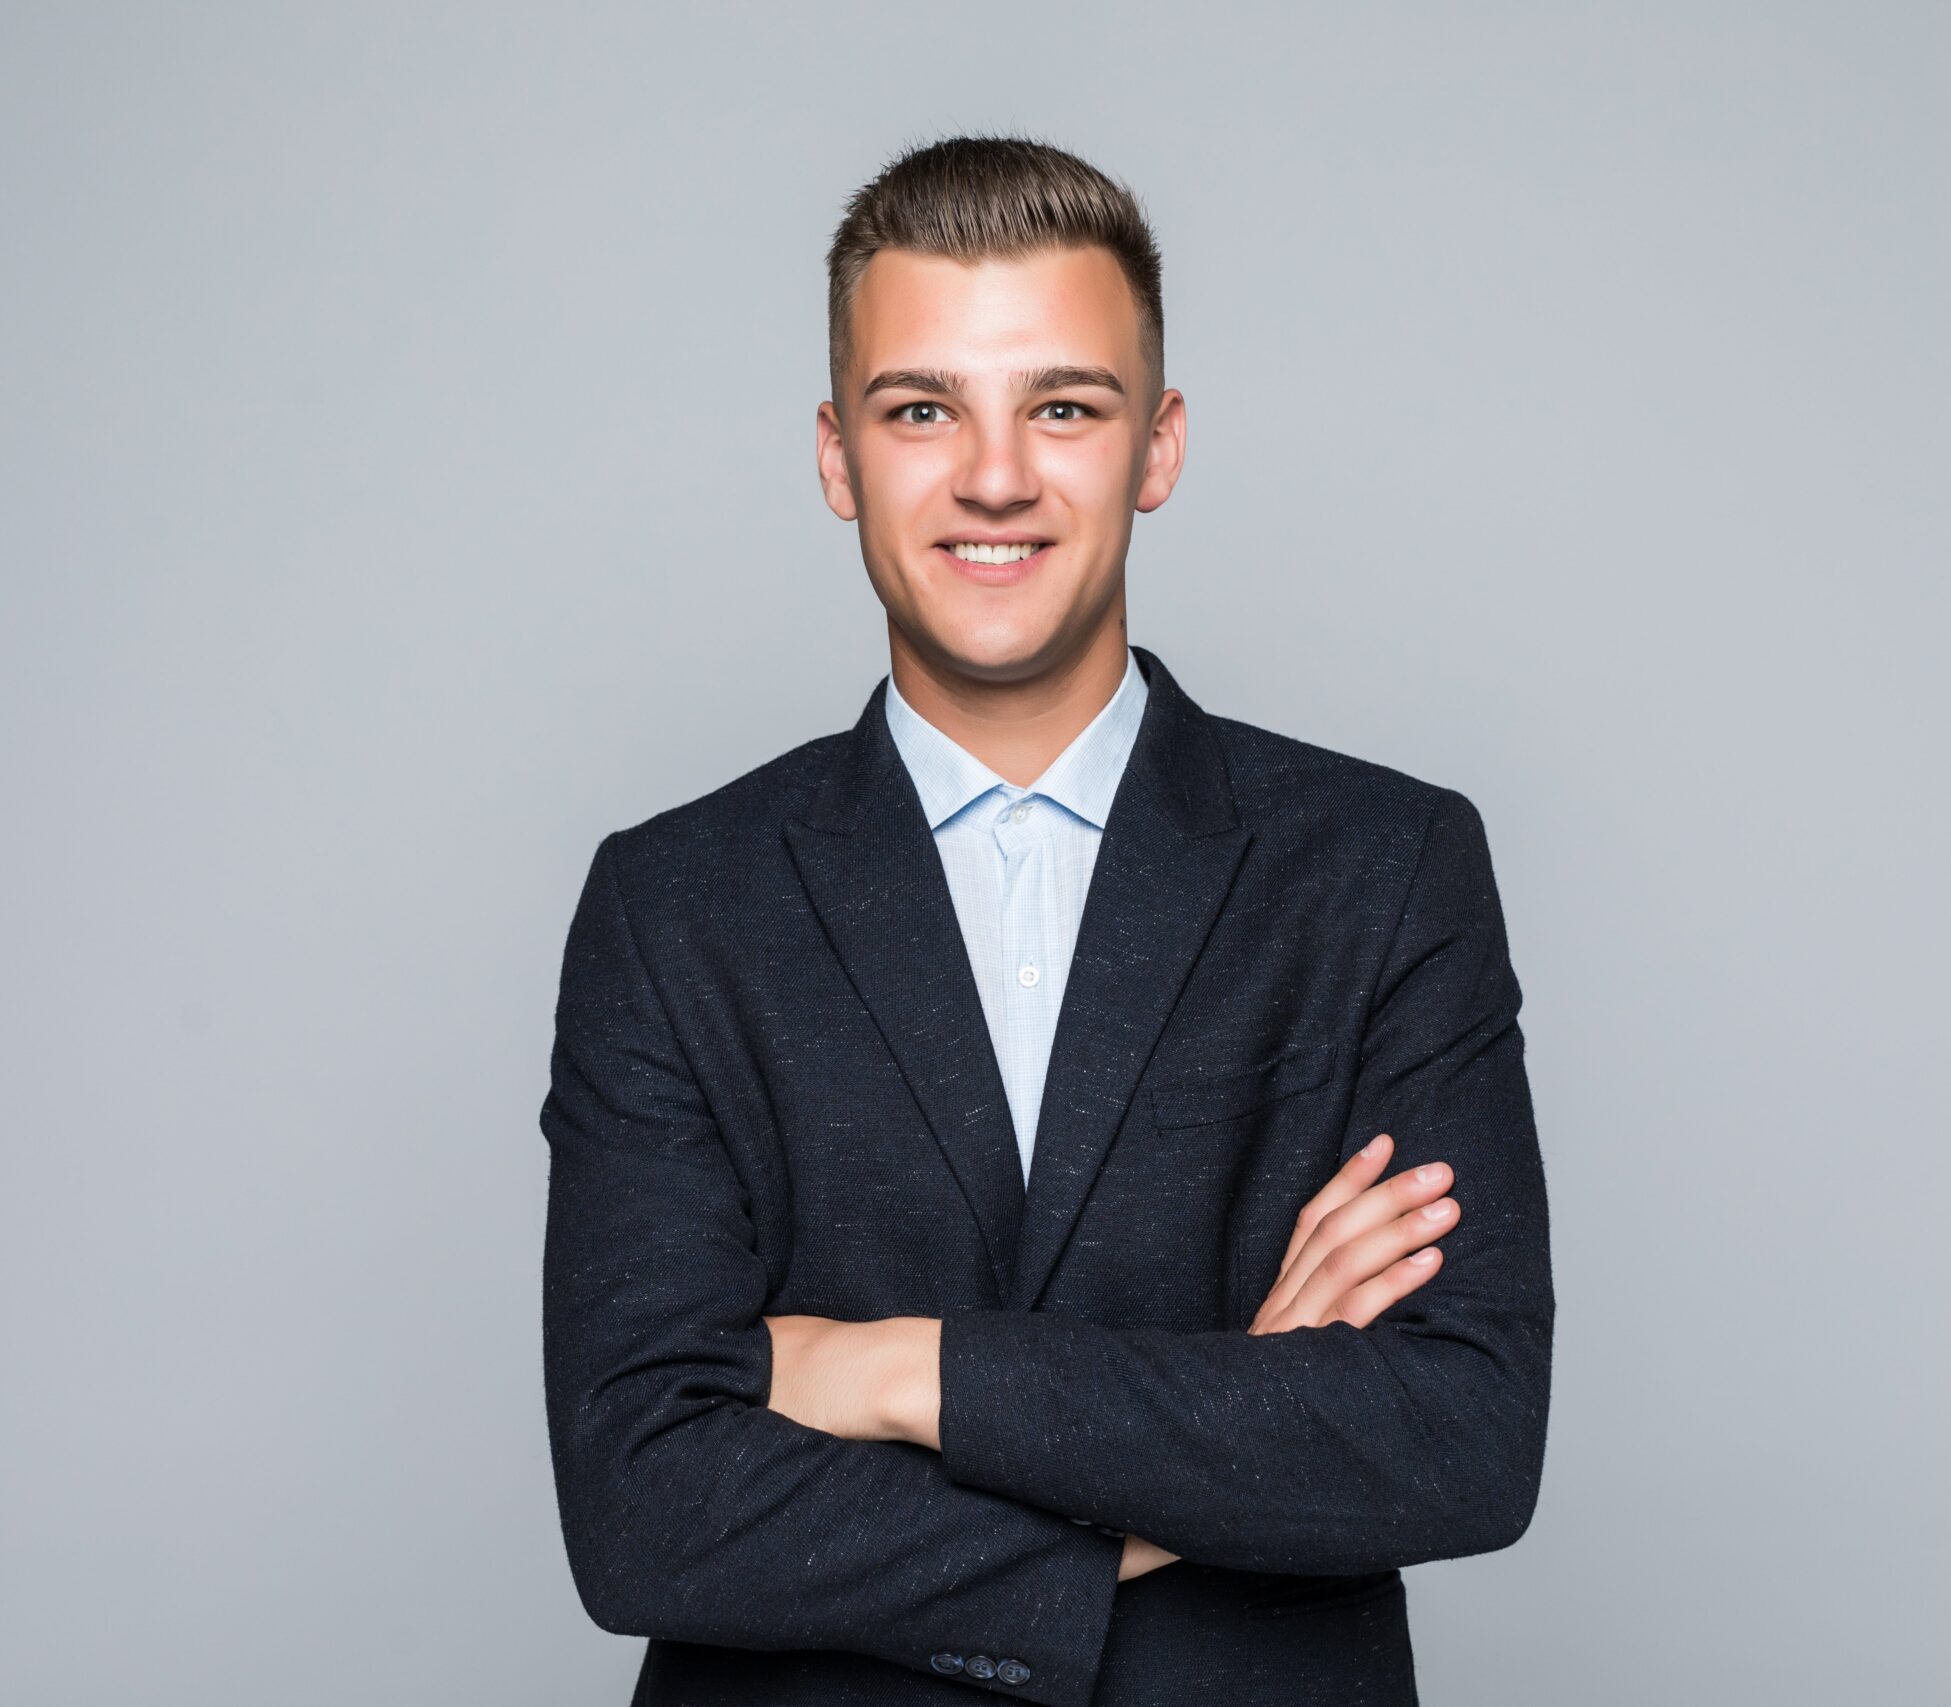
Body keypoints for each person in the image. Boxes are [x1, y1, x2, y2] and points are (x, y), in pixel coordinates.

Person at [537, 134, 1554, 1706]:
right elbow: (645, 1510)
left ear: (1158, 446)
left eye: (1063, 407)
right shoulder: (673, 905)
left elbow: (1455, 1442)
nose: (995, 475)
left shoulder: (1387, 867)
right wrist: (1224, 1438)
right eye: (921, 408)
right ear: (836, 456)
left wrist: (893, 1371)